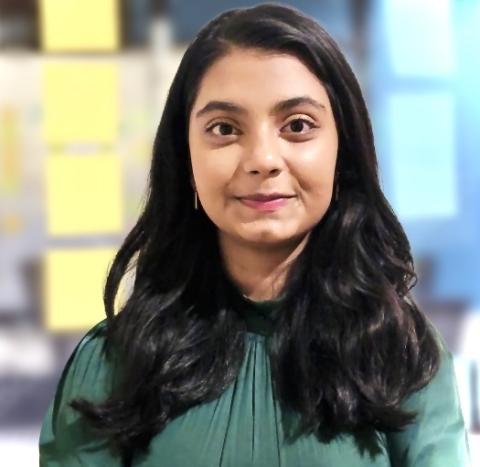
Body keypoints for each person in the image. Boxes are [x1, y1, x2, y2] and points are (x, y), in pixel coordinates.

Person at [39, 3, 471, 466]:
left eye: (298, 126)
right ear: (185, 160)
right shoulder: (113, 364)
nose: (263, 159)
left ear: (342, 154)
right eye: (224, 129)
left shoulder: (401, 357)